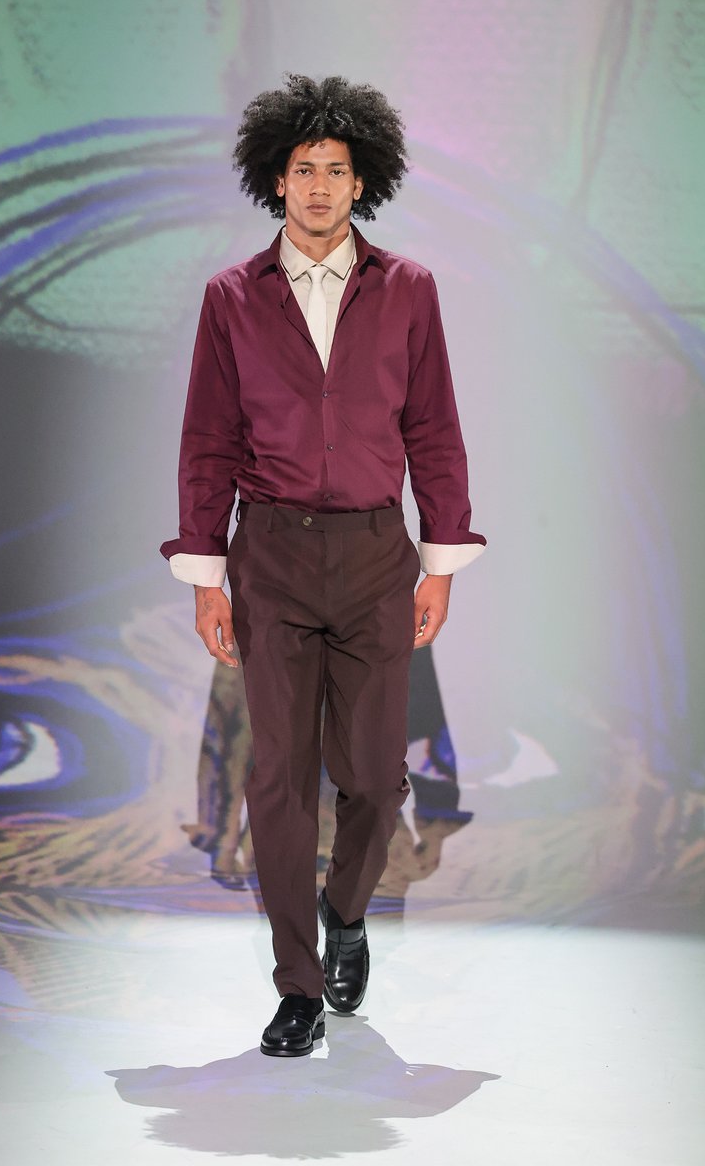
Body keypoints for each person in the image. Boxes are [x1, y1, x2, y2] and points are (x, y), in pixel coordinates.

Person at [160, 74, 486, 1057]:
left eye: (335, 171)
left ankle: (346, 916)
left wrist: (440, 560)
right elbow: (207, 440)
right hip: (269, 554)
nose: (317, 186)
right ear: (275, 179)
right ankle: (296, 986)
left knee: (376, 780)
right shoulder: (231, 297)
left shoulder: (408, 289)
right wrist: (206, 575)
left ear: (361, 183)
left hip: (376, 555)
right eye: (302, 169)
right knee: (278, 778)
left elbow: (433, 429)